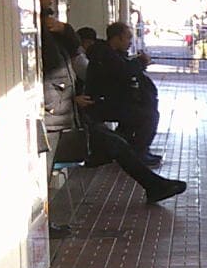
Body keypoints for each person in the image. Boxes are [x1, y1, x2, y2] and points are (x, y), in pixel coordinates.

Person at [40, 13, 186, 204]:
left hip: (74, 117)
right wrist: (72, 99)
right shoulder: (100, 55)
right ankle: (150, 178)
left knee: (119, 142)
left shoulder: (87, 52)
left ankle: (153, 182)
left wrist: (65, 30)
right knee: (127, 133)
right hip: (80, 116)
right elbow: (120, 72)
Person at [86, 22, 161, 163]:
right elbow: (123, 72)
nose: (130, 42)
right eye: (128, 38)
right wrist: (140, 62)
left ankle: (124, 151)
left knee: (137, 113)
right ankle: (138, 153)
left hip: (113, 100)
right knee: (149, 116)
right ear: (117, 38)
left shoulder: (113, 54)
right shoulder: (104, 55)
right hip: (101, 102)